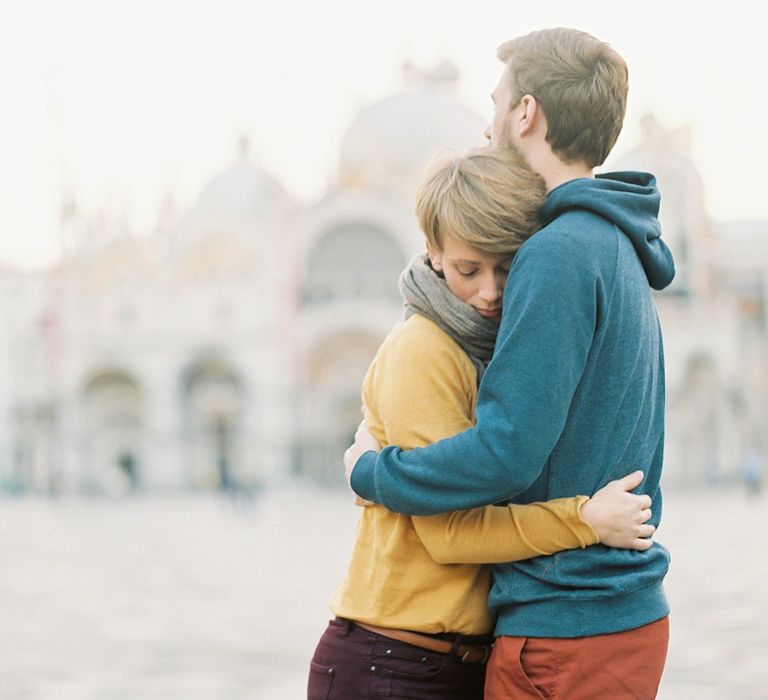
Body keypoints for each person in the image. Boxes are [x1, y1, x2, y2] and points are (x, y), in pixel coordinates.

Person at [345, 28, 676, 700]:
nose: (489, 118)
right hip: (612, 611)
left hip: (568, 618)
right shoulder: (614, 242)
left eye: (496, 100)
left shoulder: (557, 253)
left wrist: (371, 472)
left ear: (525, 113)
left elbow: (507, 451)